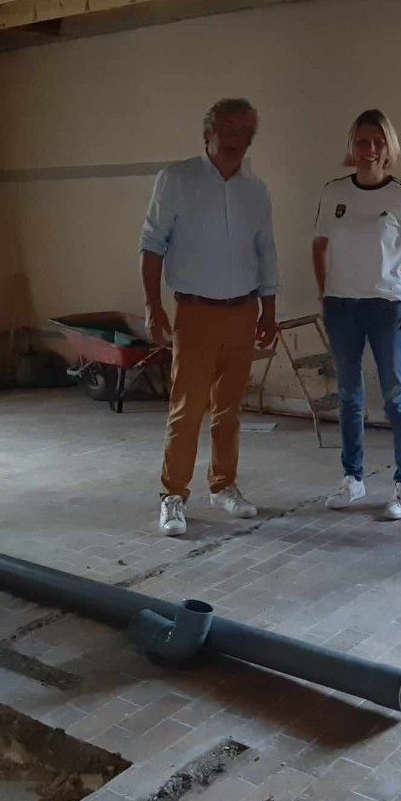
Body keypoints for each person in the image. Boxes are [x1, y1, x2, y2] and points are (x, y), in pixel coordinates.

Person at [139, 97, 279, 536]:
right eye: (228, 129)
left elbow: (266, 250)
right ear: (207, 133)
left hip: (243, 311)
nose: (237, 139)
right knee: (187, 409)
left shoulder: (255, 191)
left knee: (230, 409)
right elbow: (152, 244)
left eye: (246, 132)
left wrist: (269, 311)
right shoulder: (176, 179)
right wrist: (152, 304)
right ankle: (173, 495)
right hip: (195, 312)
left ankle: (224, 485)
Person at [312, 109, 401, 520]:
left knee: (395, 397)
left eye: (377, 141)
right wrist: (324, 295)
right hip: (341, 307)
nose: (369, 149)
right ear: (351, 146)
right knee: (349, 396)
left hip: (387, 308)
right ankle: (352, 478)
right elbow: (319, 245)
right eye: (362, 141)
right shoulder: (334, 192)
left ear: (388, 148)